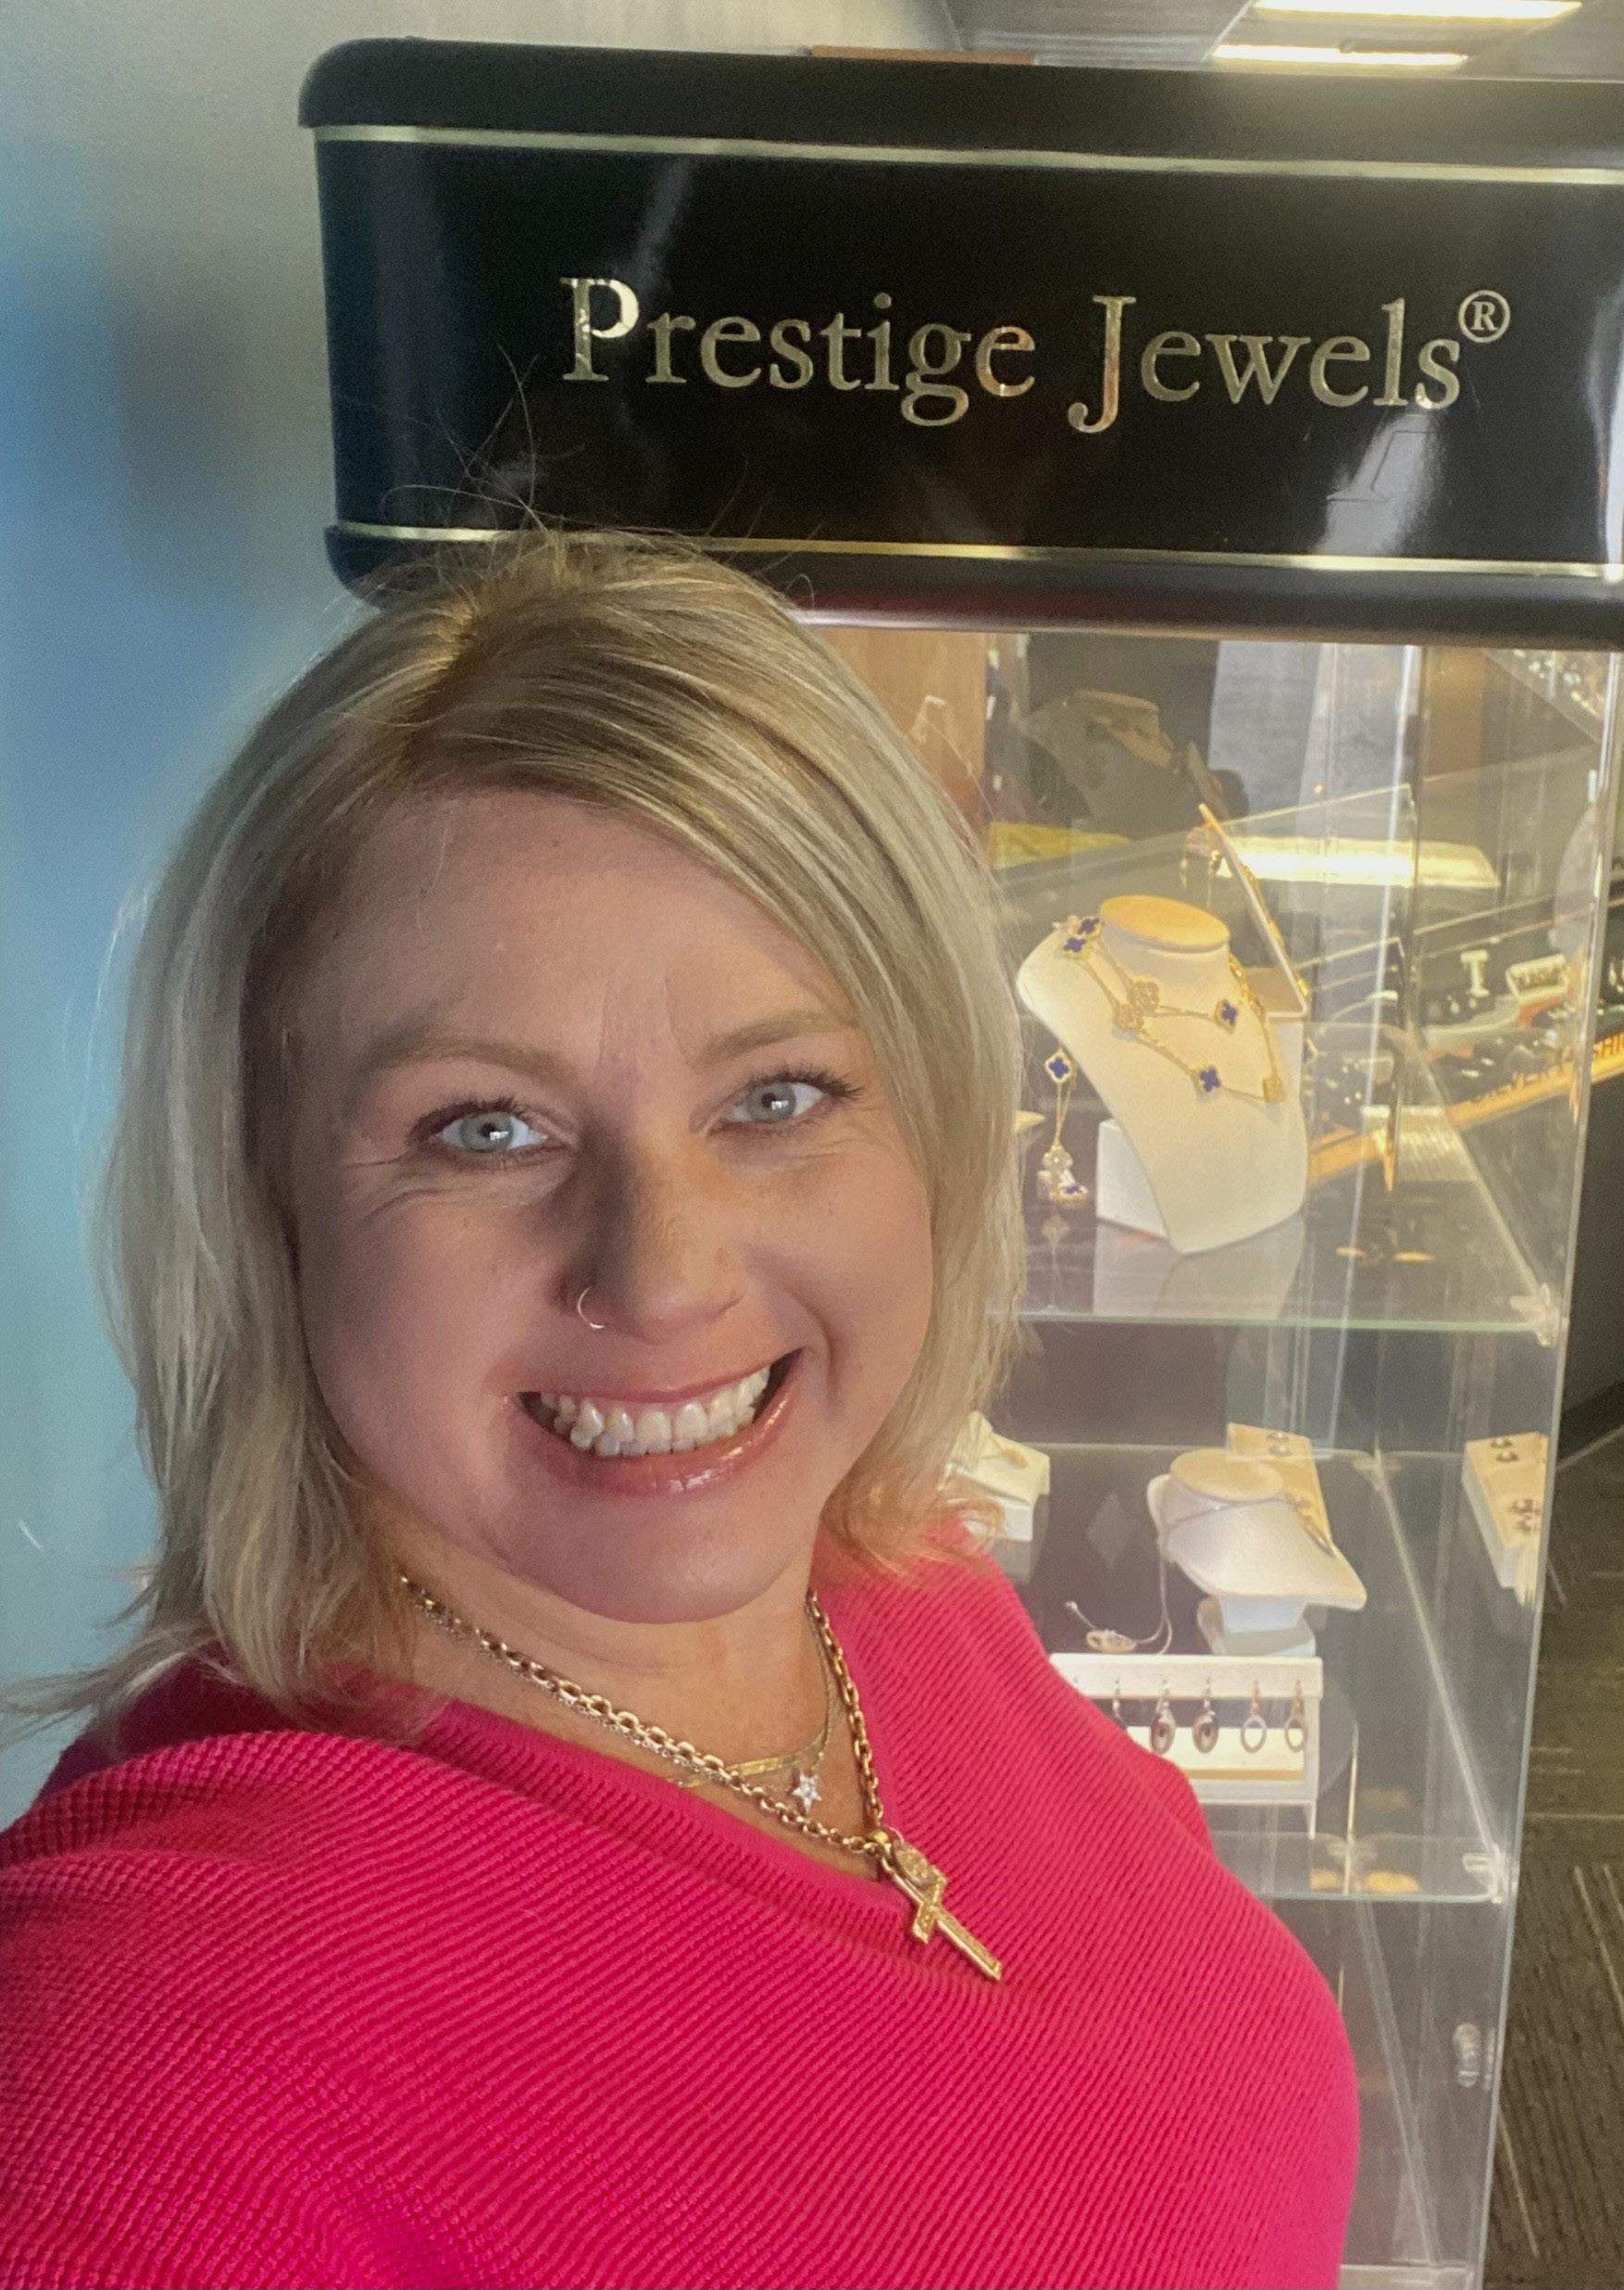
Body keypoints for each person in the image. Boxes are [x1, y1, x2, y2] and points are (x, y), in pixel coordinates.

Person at [0, 533, 1357, 2288]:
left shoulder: (887, 1574)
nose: (663, 1276)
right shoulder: (142, 2063)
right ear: (269, 1203)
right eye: (486, 1126)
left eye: (775, 1094)